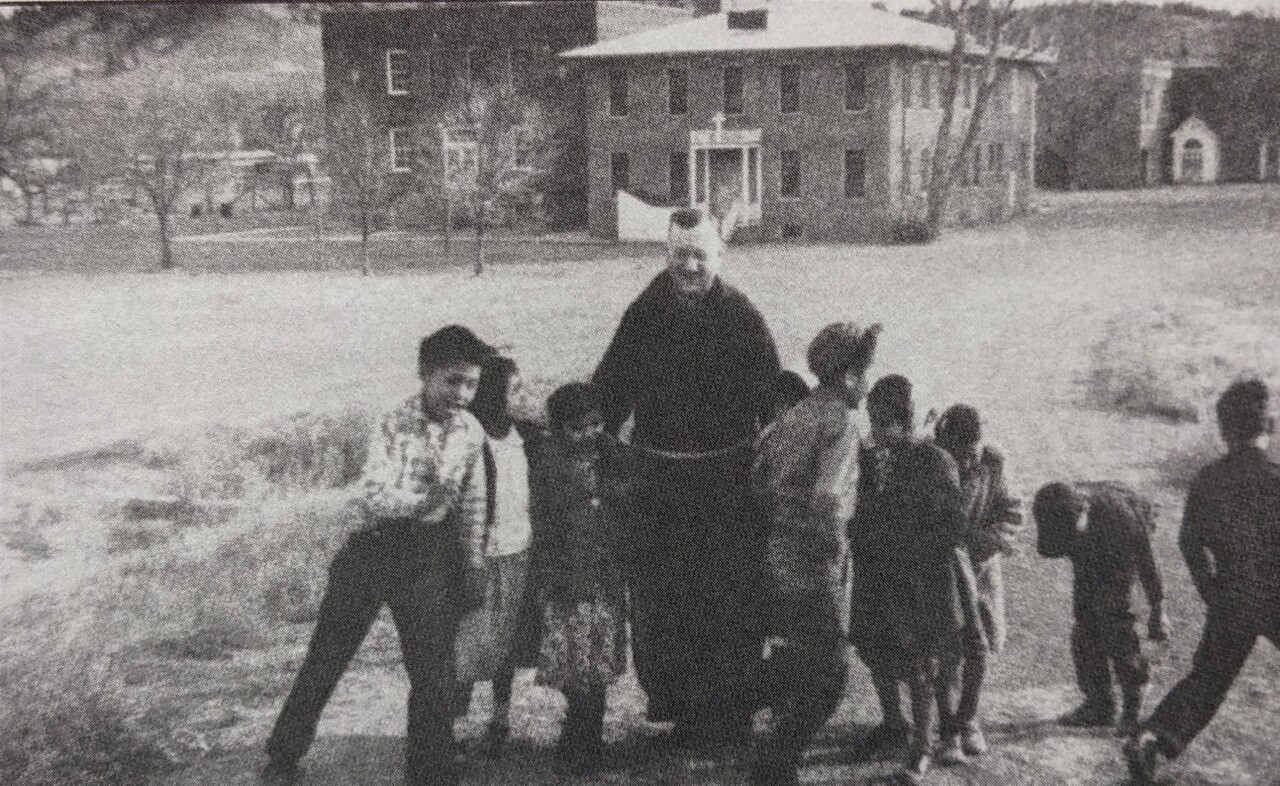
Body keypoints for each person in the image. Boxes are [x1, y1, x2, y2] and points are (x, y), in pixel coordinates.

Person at [264, 325, 493, 786]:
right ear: (424, 374)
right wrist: (422, 504)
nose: (463, 393)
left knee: (433, 670)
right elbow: (370, 494)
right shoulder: (390, 423)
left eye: (471, 383)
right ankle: (284, 752)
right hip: (372, 552)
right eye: (452, 380)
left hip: (429, 558)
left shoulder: (472, 430)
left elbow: (472, 505)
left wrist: (471, 563)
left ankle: (430, 768)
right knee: (329, 655)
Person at [592, 207, 781, 745]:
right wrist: (587, 429)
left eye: (701, 256)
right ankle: (677, 704)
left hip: (728, 487)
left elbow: (772, 397)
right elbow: (612, 386)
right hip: (662, 486)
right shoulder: (644, 313)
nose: (691, 266)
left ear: (719, 257)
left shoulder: (742, 317)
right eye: (681, 255)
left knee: (728, 597)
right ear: (666, 255)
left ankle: (730, 711)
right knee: (667, 598)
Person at [1125, 379, 1278, 784]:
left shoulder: (1209, 479)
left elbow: (1189, 542)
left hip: (1231, 595)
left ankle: (1153, 738)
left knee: (1209, 678)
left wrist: (1210, 590)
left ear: (1224, 430)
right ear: (1272, 426)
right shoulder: (1277, 480)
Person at [750, 322, 881, 786]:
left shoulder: (794, 415)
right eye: (864, 374)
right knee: (829, 674)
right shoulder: (841, 424)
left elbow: (759, 480)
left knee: (795, 657)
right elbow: (827, 498)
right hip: (812, 559)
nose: (866, 384)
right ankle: (776, 763)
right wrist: (832, 549)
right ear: (848, 377)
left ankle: (763, 738)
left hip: (776, 553)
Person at [847, 375, 971, 784]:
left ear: (904, 418)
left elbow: (952, 525)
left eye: (883, 420)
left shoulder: (936, 461)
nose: (876, 428)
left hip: (920, 579)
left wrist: (910, 553)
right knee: (873, 646)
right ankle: (892, 723)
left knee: (919, 663)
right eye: (873, 419)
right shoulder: (872, 458)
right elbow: (860, 511)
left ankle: (922, 747)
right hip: (877, 574)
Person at [532, 382, 631, 774]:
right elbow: (543, 525)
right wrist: (549, 576)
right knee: (577, 669)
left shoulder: (609, 459)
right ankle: (576, 738)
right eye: (579, 427)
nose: (590, 433)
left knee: (600, 665)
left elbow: (629, 495)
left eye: (596, 424)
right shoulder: (549, 465)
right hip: (569, 583)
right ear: (559, 429)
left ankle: (590, 739)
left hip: (605, 582)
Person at [453, 355, 544, 754]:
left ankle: (501, 714)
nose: (522, 396)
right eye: (514, 390)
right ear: (492, 395)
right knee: (469, 642)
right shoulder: (472, 439)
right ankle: (451, 724)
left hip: (519, 551)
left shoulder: (526, 437)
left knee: (506, 640)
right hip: (481, 556)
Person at [1031, 480, 1168, 738]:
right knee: (1085, 628)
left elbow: (1147, 561)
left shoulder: (1120, 517)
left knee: (1118, 628)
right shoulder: (1054, 509)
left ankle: (1131, 709)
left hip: (1119, 553)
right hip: (1089, 555)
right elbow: (1053, 546)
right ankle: (1099, 705)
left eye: (1072, 529)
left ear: (1083, 512)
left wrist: (1158, 609)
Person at [931, 404, 1024, 765]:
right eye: (961, 449)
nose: (968, 457)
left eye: (974, 449)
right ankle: (947, 727)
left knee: (978, 646)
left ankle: (968, 718)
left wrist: (990, 540)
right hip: (942, 569)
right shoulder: (933, 460)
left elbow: (1012, 510)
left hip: (980, 571)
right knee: (945, 650)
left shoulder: (992, 462)